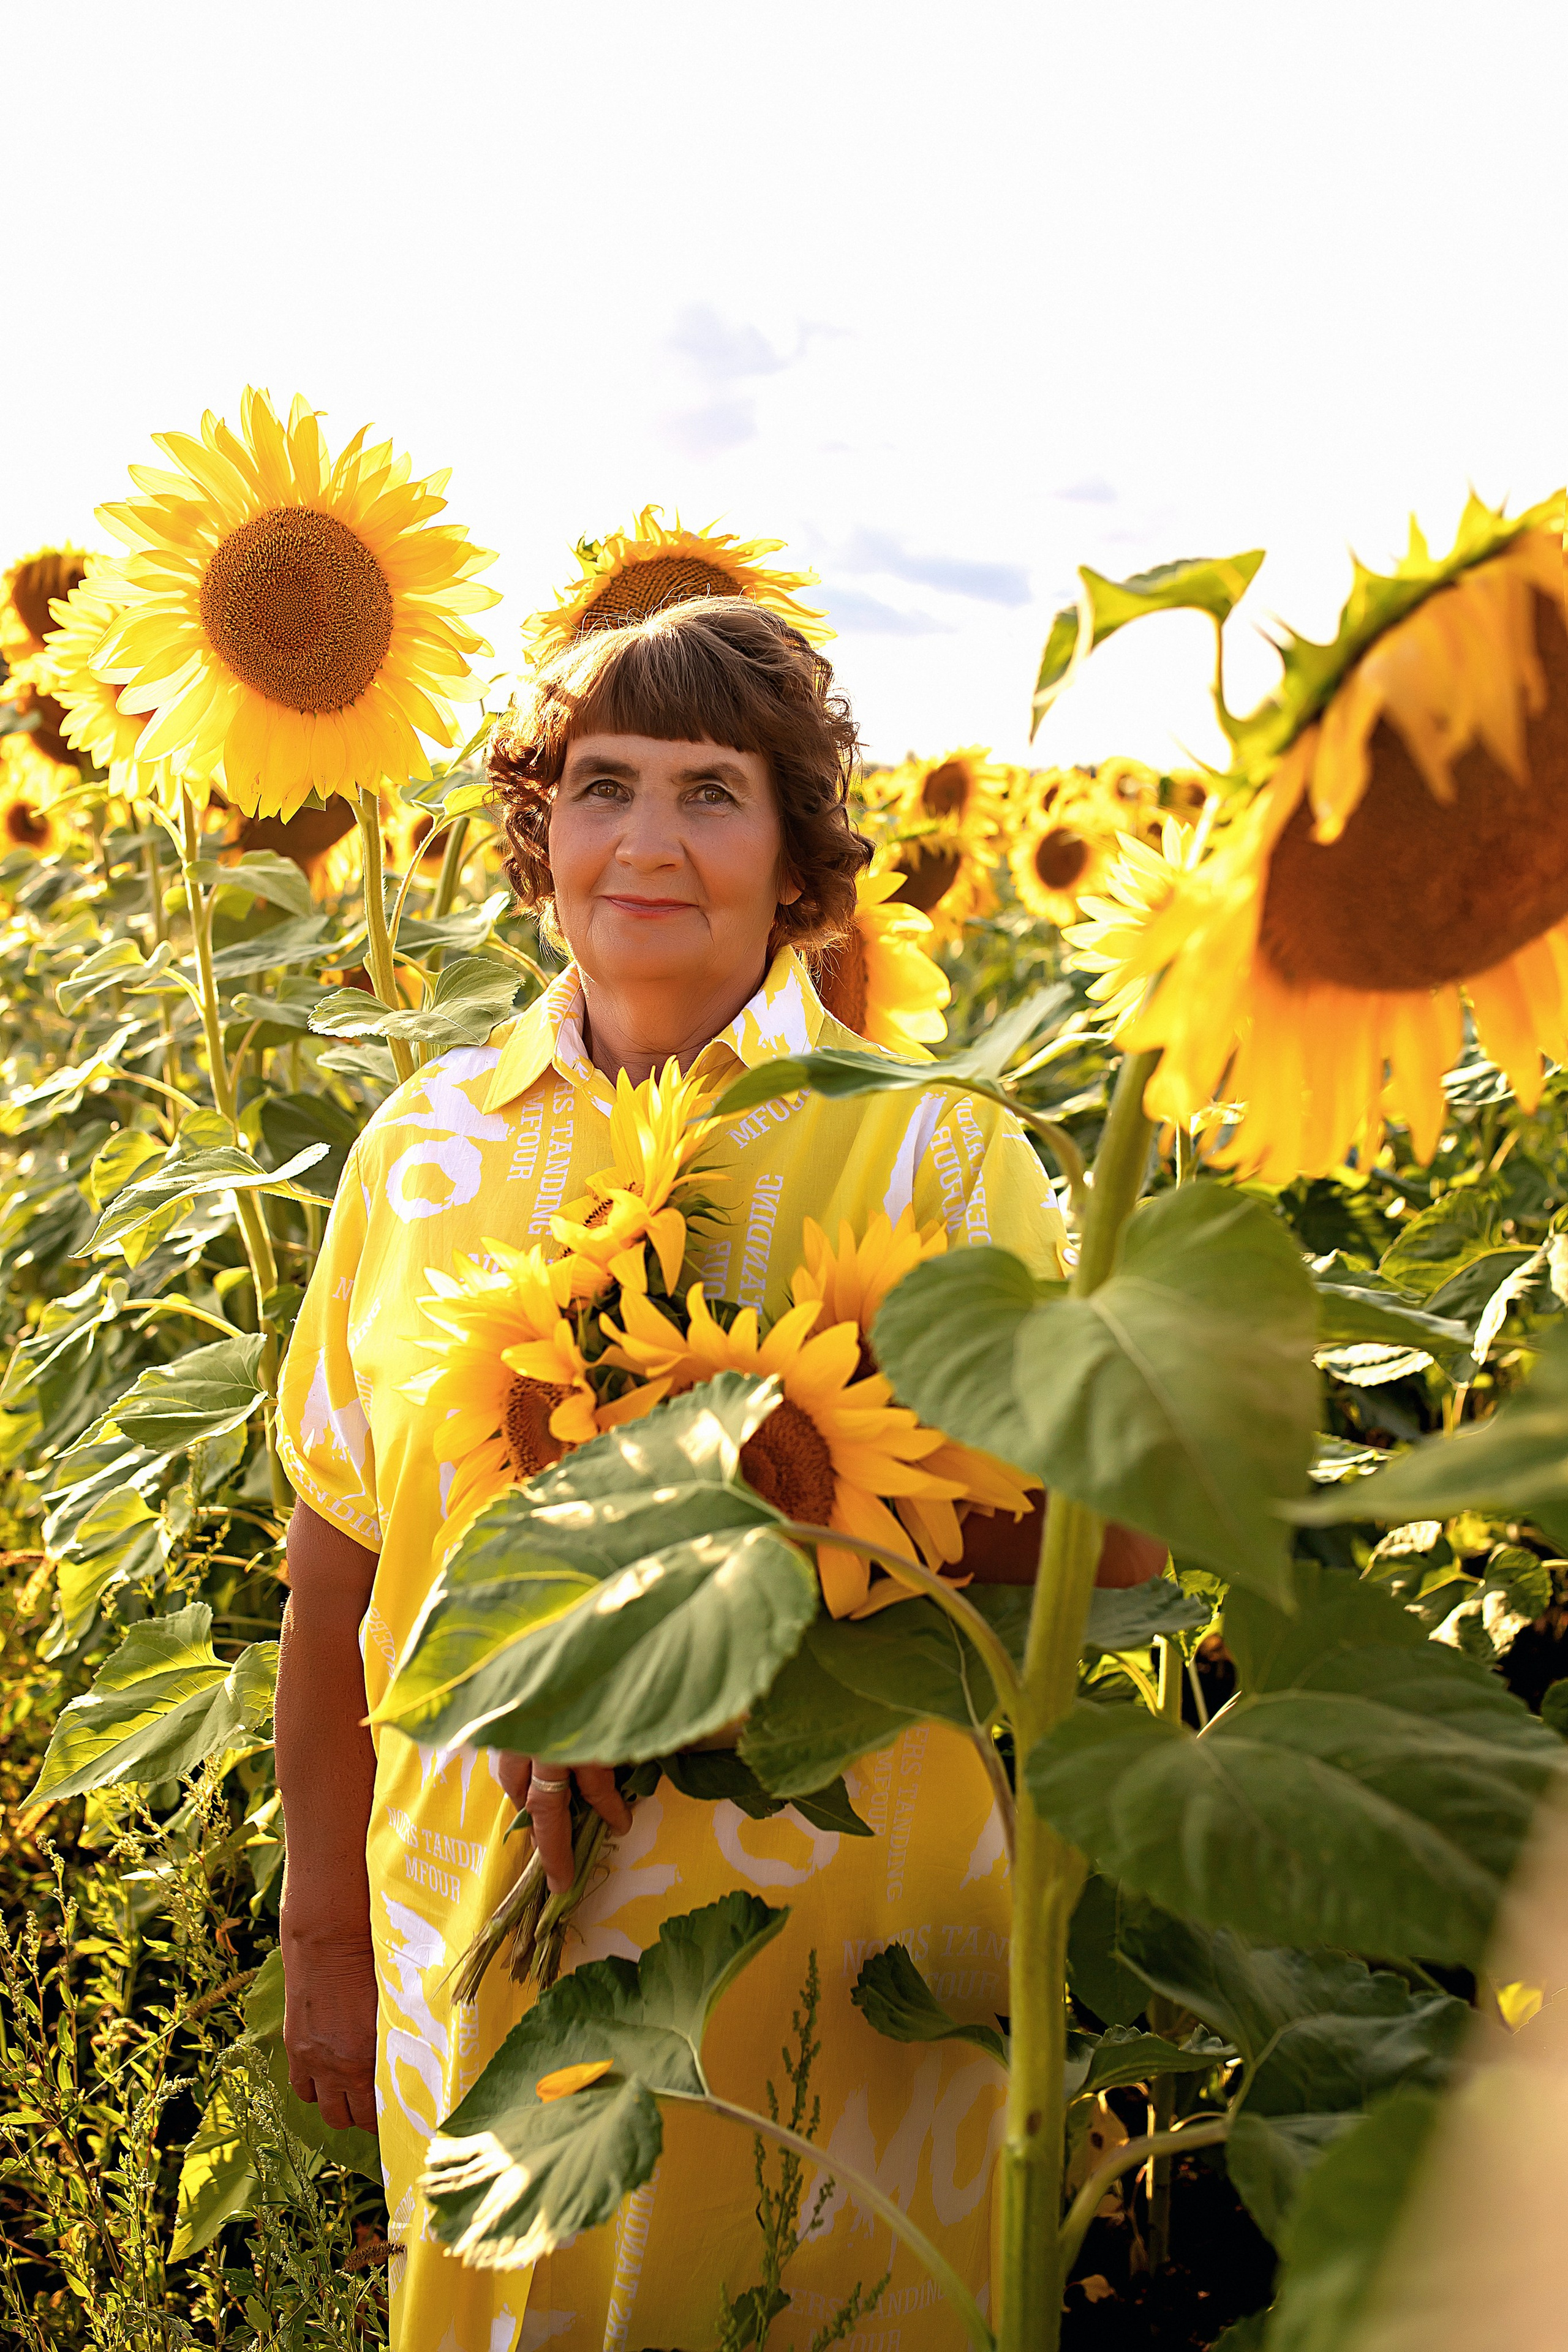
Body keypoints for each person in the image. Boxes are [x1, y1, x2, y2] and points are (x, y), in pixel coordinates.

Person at [275, 598, 1161, 2351]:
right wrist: (319, 1929)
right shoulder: (421, 1152)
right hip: (469, 1923)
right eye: (603, 787)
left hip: (835, 1955)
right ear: (542, 842)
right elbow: (338, 1556)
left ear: (799, 860)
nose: (649, 844)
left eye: (712, 793)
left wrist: (749, 1540)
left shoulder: (934, 1146)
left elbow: (1112, 1540)